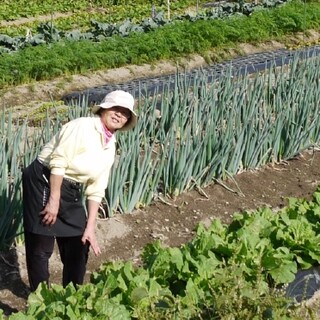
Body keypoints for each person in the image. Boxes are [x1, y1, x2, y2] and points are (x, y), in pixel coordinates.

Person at [22, 90, 137, 291]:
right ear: (104, 109)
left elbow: (97, 187)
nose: (119, 114)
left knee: (80, 240)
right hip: (45, 178)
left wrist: (90, 226)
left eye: (125, 112)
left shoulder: (110, 144)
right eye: (115, 109)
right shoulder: (83, 127)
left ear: (127, 120)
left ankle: (72, 296)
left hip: (71, 186)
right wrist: (53, 200)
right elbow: (58, 162)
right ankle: (40, 299)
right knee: (42, 242)